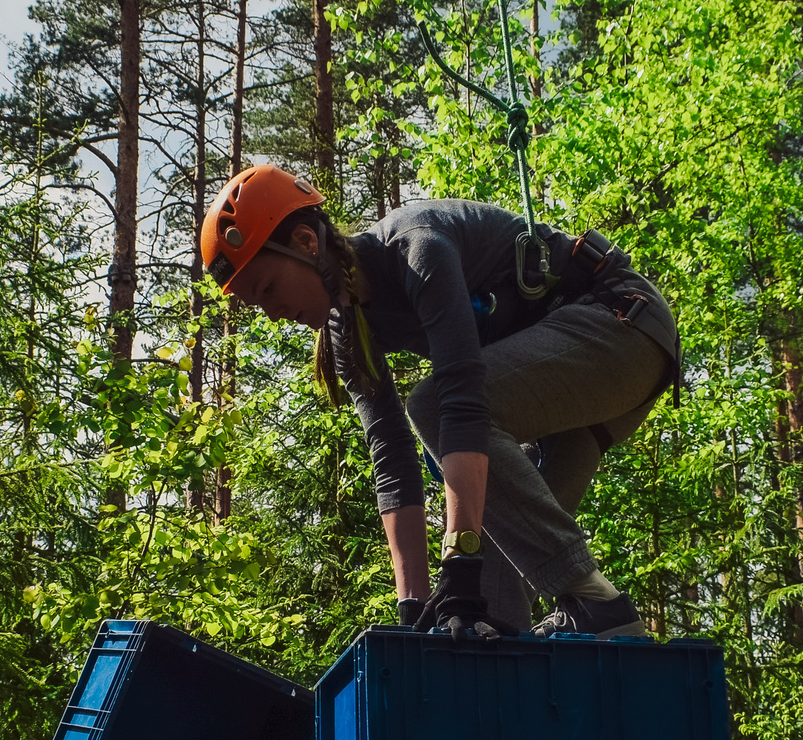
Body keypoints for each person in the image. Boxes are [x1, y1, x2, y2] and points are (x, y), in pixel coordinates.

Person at [198, 165, 681, 639]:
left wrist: (459, 555)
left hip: (622, 326)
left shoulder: (416, 246)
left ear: (306, 242)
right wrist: (414, 610)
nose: (274, 312)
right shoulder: (346, 334)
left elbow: (464, 395)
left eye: (268, 288)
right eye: (256, 304)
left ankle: (595, 601)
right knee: (487, 609)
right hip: (579, 399)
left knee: (432, 406)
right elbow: (391, 460)